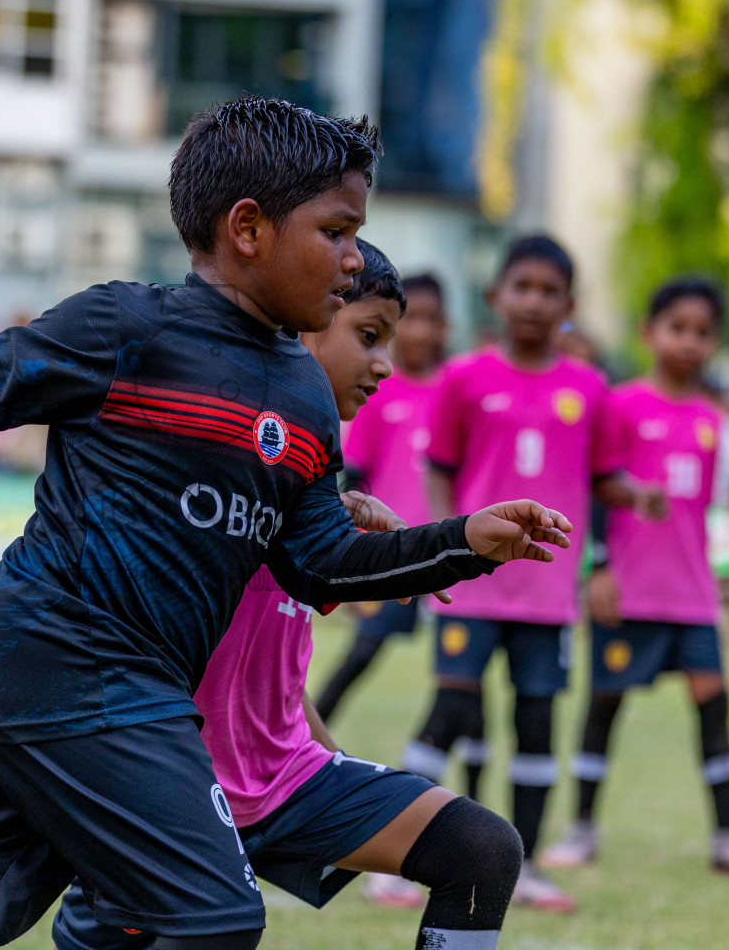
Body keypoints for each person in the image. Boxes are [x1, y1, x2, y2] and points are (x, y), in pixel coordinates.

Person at [0, 98, 572, 950]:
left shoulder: (305, 398)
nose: (353, 260)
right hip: (62, 659)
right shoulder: (128, 325)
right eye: (338, 232)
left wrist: (462, 544)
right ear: (248, 228)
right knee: (215, 918)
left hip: (95, 687)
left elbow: (322, 565)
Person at [52, 242, 523, 950]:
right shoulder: (214, 453)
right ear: (305, 322)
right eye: (368, 336)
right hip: (167, 789)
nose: (386, 364)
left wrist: (333, 760)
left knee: (482, 852)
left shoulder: (312, 482)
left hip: (284, 780)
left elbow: (263, 660)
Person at [398, 234, 660, 914]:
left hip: (547, 594)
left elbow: (604, 479)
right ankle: (396, 859)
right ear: (496, 296)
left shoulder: (590, 389)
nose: (535, 302)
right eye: (523, 287)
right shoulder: (464, 379)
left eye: (550, 292)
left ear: (568, 305)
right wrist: (439, 551)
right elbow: (439, 471)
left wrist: (634, 499)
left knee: (537, 726)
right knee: (449, 712)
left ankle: (528, 863)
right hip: (473, 588)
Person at [539, 279, 729, 879]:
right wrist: (599, 565)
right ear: (649, 333)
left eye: (703, 332)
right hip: (628, 589)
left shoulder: (717, 423)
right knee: (604, 705)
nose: (689, 341)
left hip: (693, 594)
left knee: (715, 707)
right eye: (677, 328)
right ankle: (581, 829)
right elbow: (596, 489)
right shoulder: (619, 405)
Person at [312, 273, 448, 729]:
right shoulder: (376, 388)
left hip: (449, 546)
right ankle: (311, 733)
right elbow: (358, 476)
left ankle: (472, 778)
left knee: (462, 678)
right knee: (362, 653)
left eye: (433, 320)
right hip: (392, 548)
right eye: (414, 320)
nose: (422, 332)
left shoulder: (456, 388)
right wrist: (356, 555)